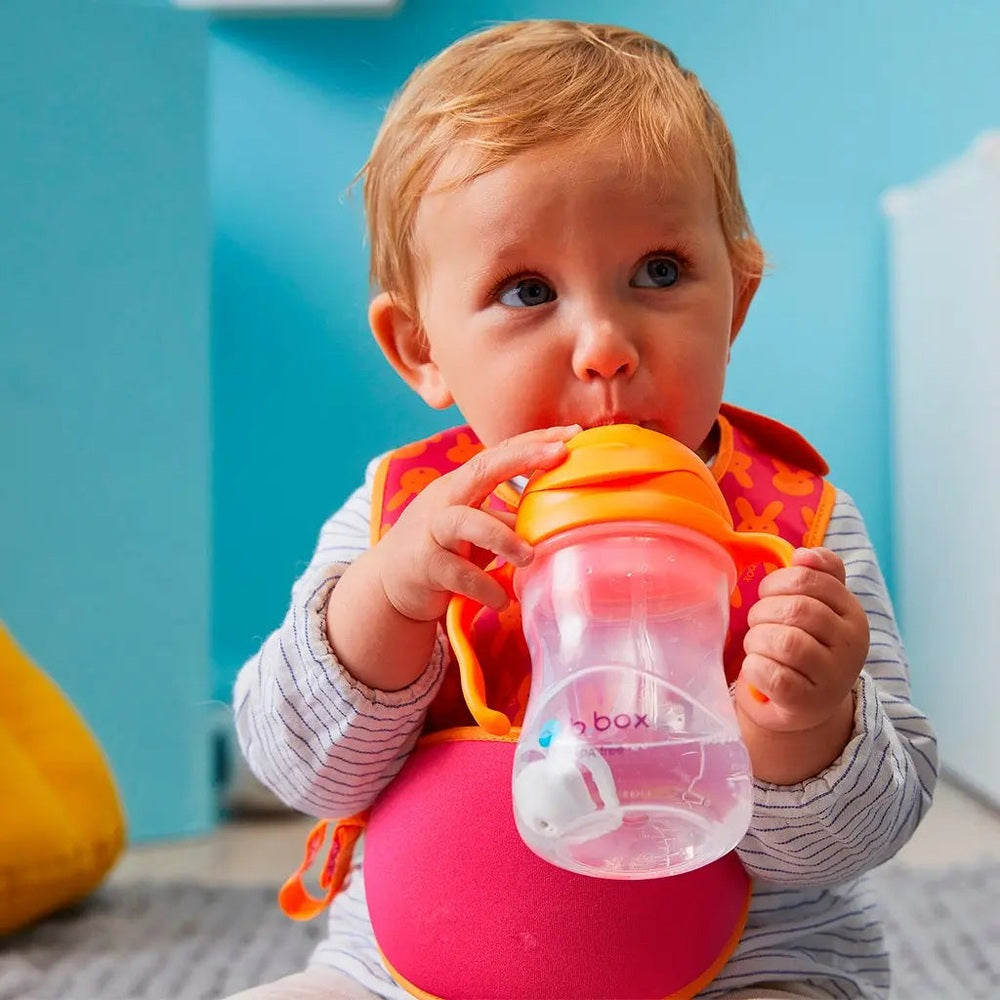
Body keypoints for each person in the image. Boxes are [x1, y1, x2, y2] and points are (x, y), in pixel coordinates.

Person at [229, 19, 938, 1000]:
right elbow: (301, 770)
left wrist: (802, 723)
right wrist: (385, 602)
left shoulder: (797, 526)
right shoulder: (405, 515)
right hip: (405, 971)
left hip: (736, 969)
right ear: (419, 348)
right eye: (526, 290)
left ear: (734, 298)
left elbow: (857, 838)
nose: (604, 343)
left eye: (657, 273)